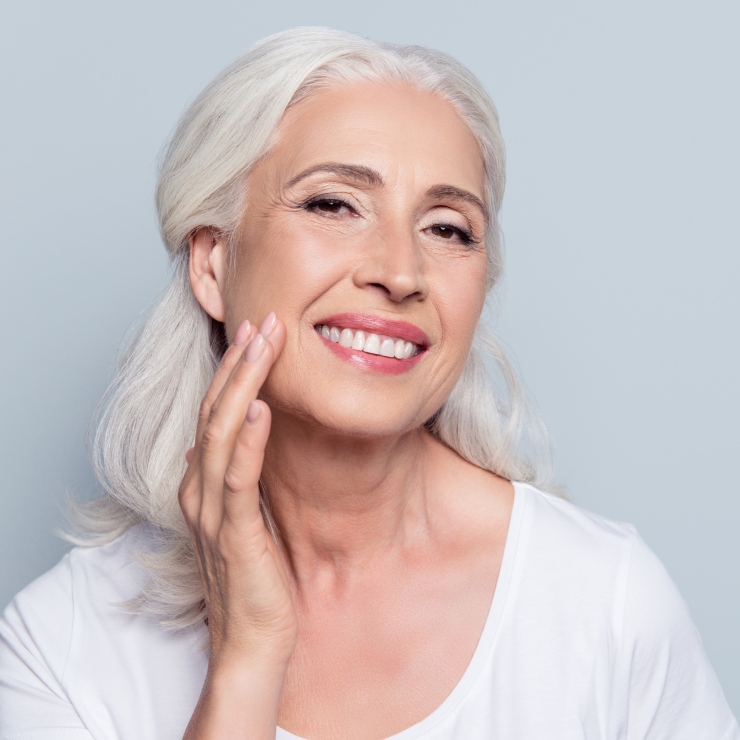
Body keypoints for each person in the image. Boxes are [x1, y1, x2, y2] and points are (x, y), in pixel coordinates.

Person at [0, 26, 737, 740]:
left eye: (448, 228)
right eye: (334, 204)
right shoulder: (60, 647)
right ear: (213, 264)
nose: (400, 271)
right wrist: (247, 655)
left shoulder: (605, 603)